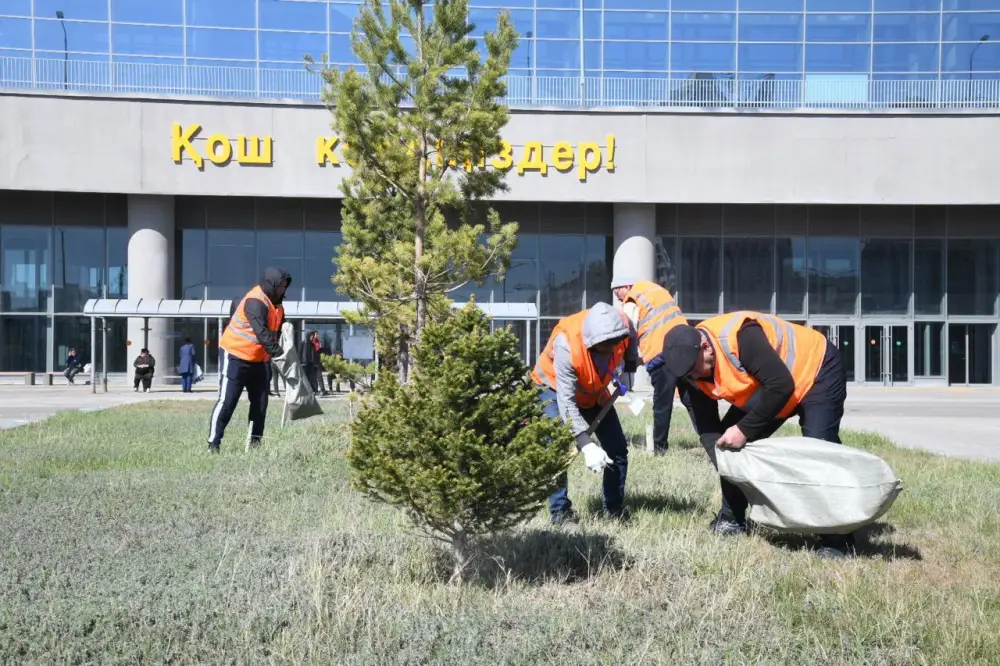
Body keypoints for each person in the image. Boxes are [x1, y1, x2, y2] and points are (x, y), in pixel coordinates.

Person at [661, 310, 853, 559]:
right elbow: (709, 431)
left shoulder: (741, 337)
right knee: (729, 446)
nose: (694, 377)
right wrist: (727, 462)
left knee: (819, 450)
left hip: (816, 370)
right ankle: (732, 519)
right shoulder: (687, 372)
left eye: (694, 370)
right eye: (687, 375)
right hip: (771, 389)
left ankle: (837, 538)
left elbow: (781, 385)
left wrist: (744, 430)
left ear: (706, 348)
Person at [530, 302, 638, 525]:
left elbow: (632, 336)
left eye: (612, 346)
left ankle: (614, 510)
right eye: (602, 348)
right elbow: (567, 402)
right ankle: (561, 514)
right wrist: (586, 444)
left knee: (617, 448)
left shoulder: (621, 325)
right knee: (556, 449)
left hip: (593, 391)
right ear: (591, 342)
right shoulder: (566, 345)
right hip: (553, 388)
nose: (609, 351)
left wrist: (630, 367)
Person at [206, 266, 291, 454]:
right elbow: (262, 333)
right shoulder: (255, 301)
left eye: (285, 286)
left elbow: (277, 331)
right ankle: (213, 444)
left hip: (259, 361)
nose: (283, 290)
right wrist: (279, 354)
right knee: (228, 402)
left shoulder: (278, 306)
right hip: (235, 356)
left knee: (260, 404)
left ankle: (254, 446)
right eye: (280, 286)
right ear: (271, 284)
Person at [611, 272, 697, 454]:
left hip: (662, 352)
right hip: (685, 346)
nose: (618, 298)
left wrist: (628, 362)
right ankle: (711, 437)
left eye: (616, 292)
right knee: (691, 398)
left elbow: (629, 333)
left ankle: (659, 448)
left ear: (625, 287)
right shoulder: (655, 291)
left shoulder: (632, 299)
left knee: (662, 403)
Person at [299, 330, 320, 394]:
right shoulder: (303, 343)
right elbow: (299, 353)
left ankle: (314, 390)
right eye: (311, 336)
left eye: (312, 336)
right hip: (304, 363)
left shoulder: (312, 344)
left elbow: (314, 354)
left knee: (312, 378)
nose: (312, 337)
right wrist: (300, 362)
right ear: (308, 336)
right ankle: (304, 390)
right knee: (304, 378)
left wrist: (315, 362)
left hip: (311, 364)